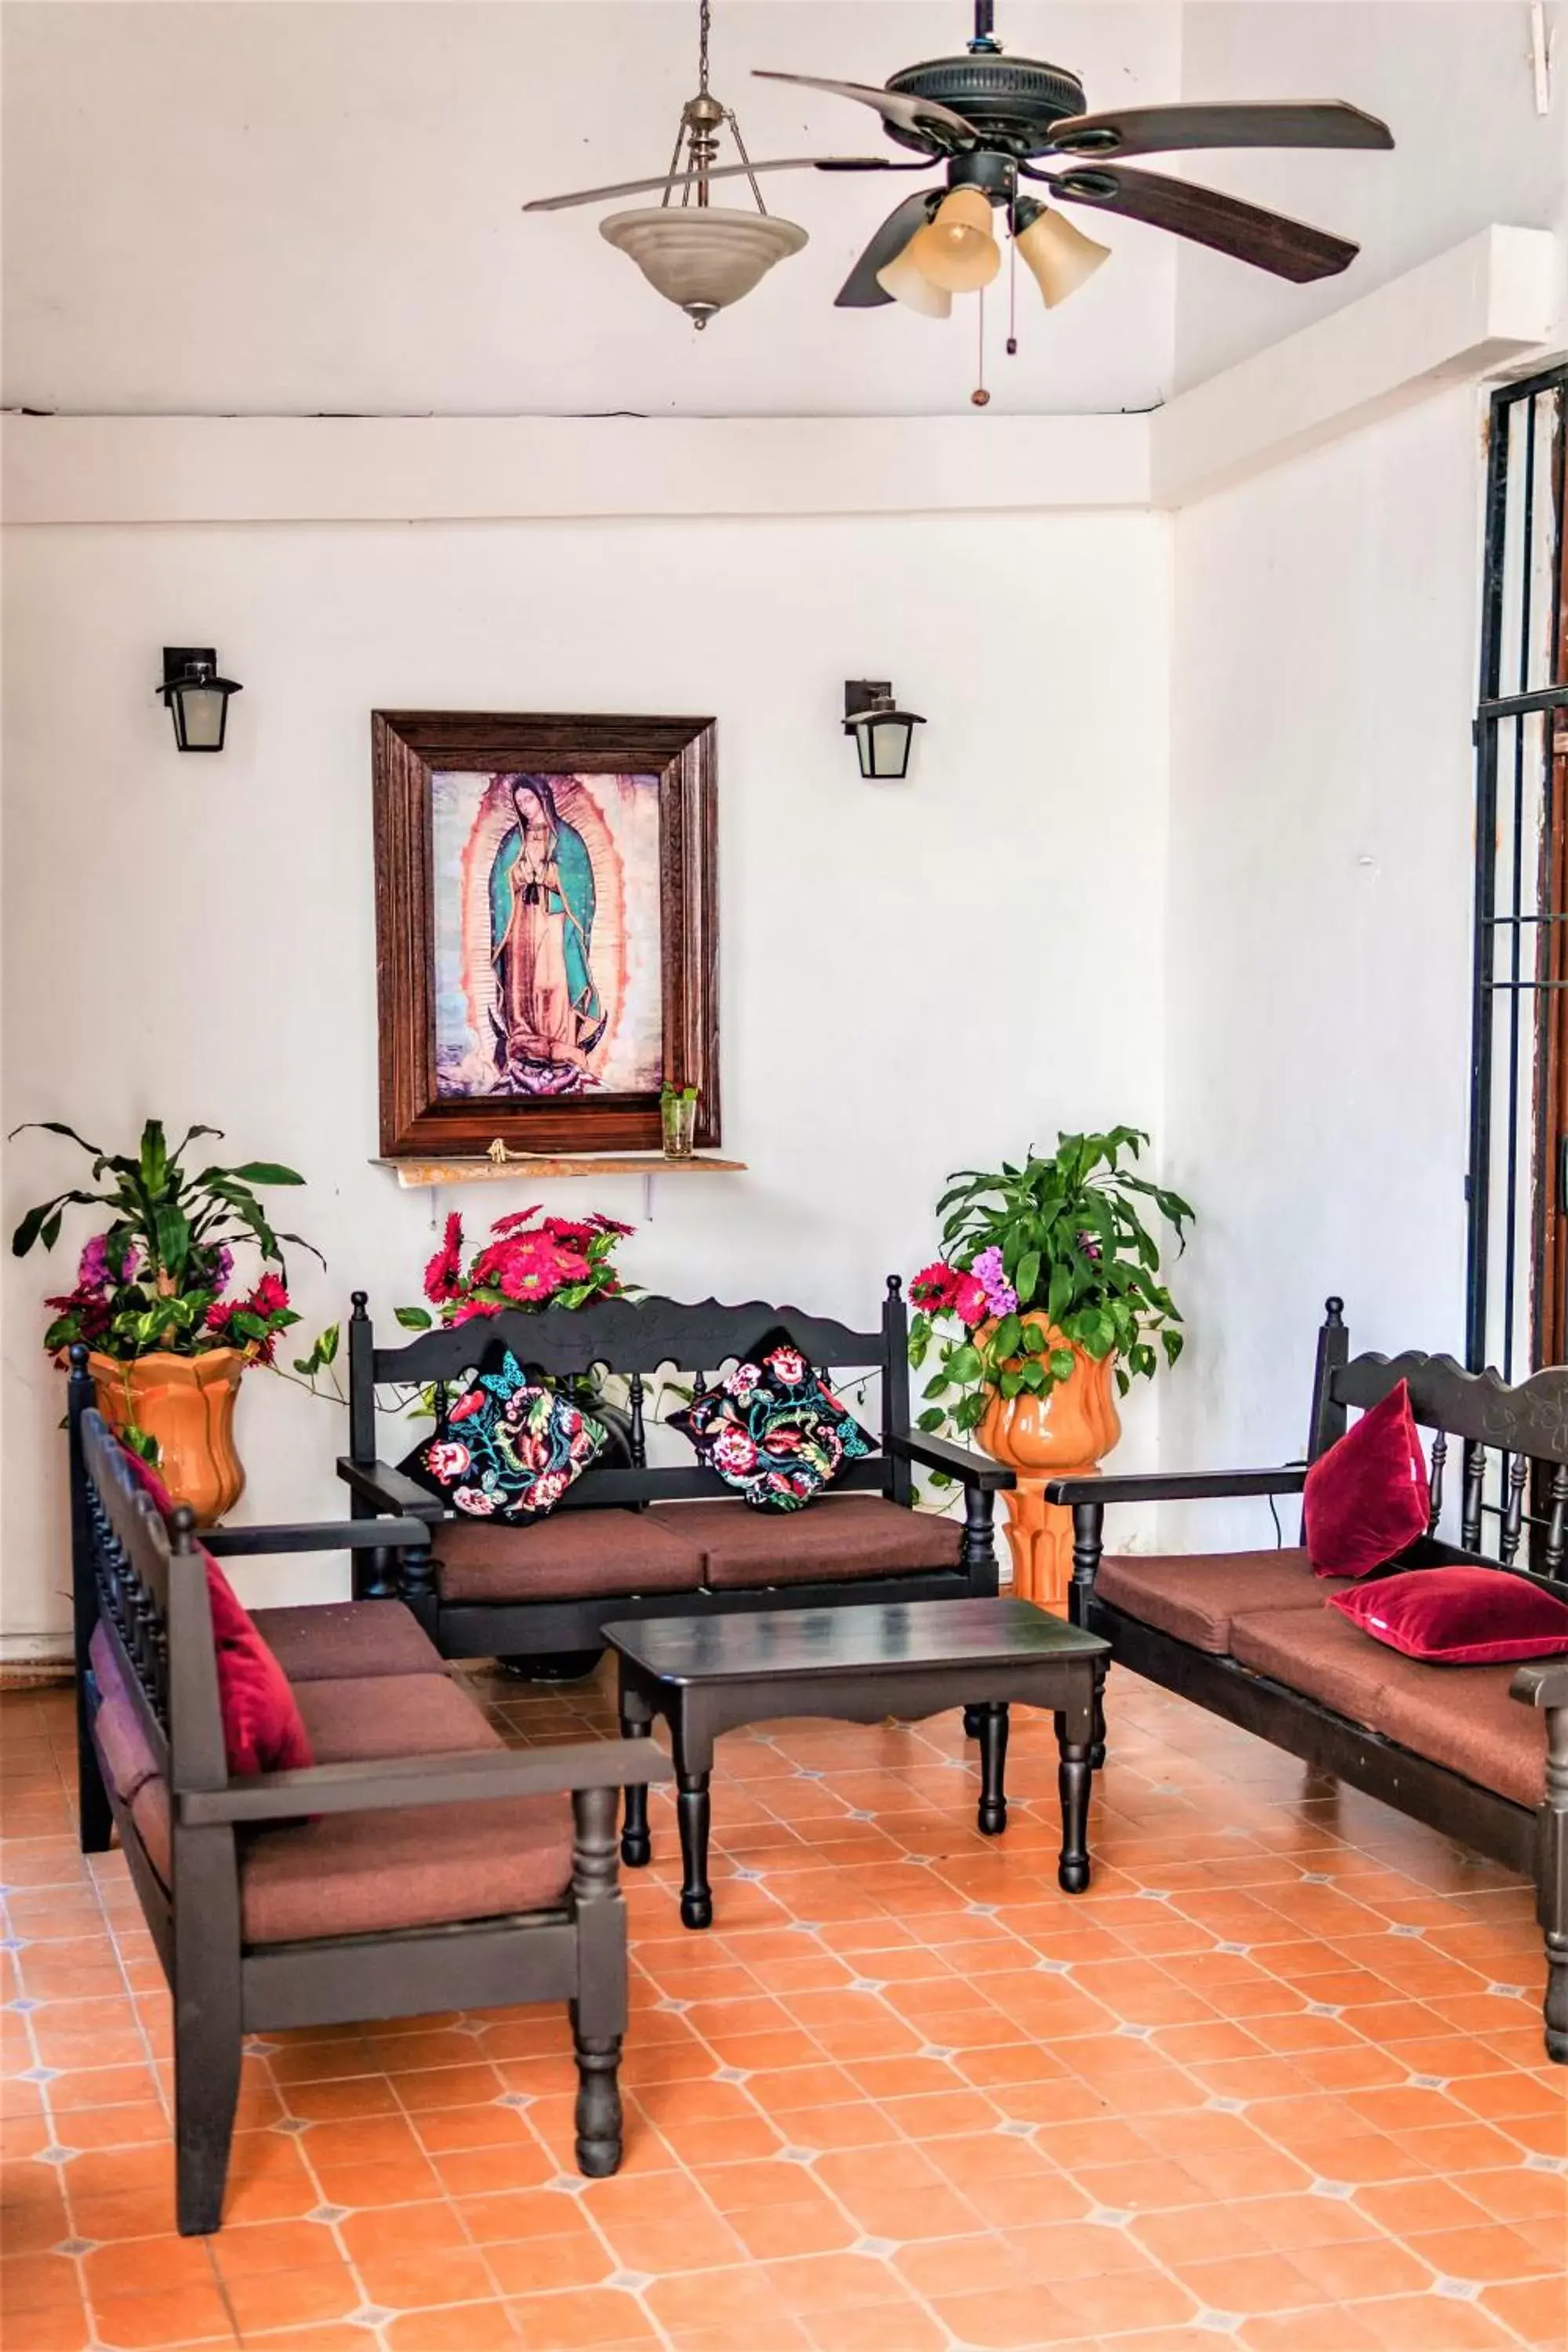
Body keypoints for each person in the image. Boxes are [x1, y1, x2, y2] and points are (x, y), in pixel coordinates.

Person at [488, 775, 604, 1092]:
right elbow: (499, 881)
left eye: (529, 800)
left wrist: (551, 875)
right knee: (522, 983)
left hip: (554, 921)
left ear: (542, 798)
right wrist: (516, 876)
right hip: (522, 922)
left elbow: (581, 883)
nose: (525, 807)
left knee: (552, 982)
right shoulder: (513, 840)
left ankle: (560, 1044)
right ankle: (524, 1040)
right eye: (520, 802)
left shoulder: (568, 839)